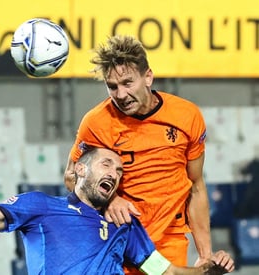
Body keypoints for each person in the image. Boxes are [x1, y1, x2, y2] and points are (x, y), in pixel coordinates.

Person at [0, 147, 234, 274]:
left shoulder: (125, 223)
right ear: (78, 169)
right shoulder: (40, 207)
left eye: (119, 171)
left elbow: (166, 272)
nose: (114, 174)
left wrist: (212, 270)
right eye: (106, 164)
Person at [64, 35, 215, 274]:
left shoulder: (187, 116)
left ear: (148, 77)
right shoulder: (96, 123)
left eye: (127, 83)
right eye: (112, 86)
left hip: (168, 243)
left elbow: (196, 185)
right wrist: (110, 200)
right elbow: (72, 177)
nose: (121, 94)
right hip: (116, 240)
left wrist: (206, 255)